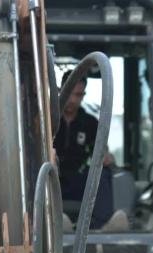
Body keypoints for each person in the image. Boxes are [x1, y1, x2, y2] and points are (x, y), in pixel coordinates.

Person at [54, 71, 127, 231]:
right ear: (60, 90)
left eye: (78, 95)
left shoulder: (90, 123)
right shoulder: (48, 119)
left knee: (102, 172)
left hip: (77, 181)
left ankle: (101, 227)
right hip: (53, 181)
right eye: (70, 93)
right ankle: (55, 223)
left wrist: (106, 157)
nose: (73, 100)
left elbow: (100, 151)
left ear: (83, 95)